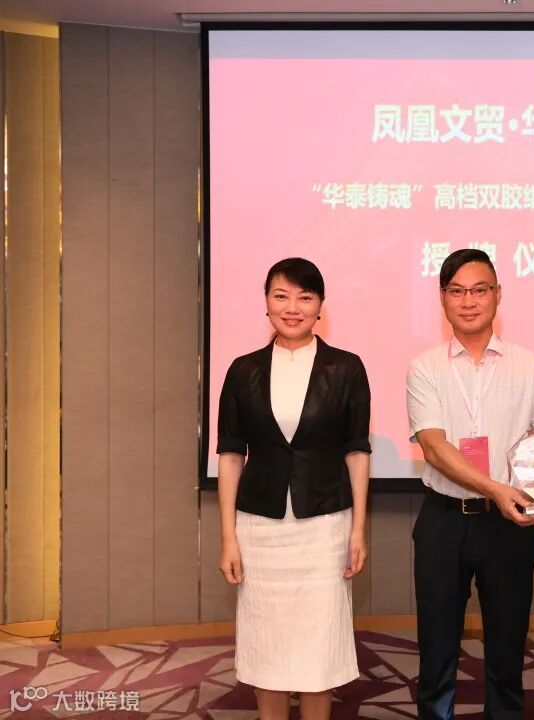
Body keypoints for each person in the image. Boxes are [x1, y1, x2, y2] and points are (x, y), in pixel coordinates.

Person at [406, 248, 534, 720]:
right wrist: (495, 488)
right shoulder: (424, 367)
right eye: (457, 291)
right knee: (437, 649)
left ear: (498, 294)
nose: (469, 301)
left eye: (480, 289)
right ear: (442, 298)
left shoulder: (530, 365)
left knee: (507, 649)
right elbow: (434, 447)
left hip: (509, 525)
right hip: (444, 520)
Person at [216, 257, 370, 720]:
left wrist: (358, 529)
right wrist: (228, 537)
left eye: (305, 297)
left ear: (320, 306)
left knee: (318, 649)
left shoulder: (345, 368)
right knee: (267, 642)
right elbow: (230, 455)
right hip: (260, 528)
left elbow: (357, 452)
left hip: (324, 526)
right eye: (281, 296)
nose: (292, 307)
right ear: (266, 303)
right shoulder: (242, 370)